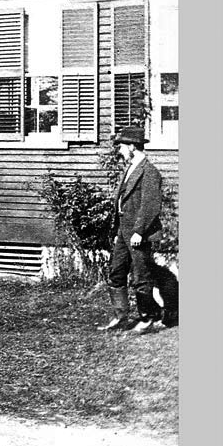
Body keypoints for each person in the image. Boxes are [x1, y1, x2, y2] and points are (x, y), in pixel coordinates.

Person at [99, 126, 166, 334]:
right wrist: (119, 230)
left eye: (121, 146)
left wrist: (139, 231)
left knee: (141, 275)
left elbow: (150, 205)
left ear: (131, 146)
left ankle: (149, 317)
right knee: (116, 272)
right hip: (123, 231)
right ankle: (121, 316)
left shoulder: (149, 172)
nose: (119, 150)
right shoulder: (130, 168)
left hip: (139, 233)